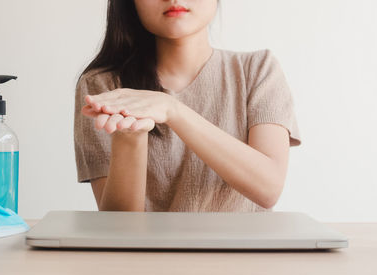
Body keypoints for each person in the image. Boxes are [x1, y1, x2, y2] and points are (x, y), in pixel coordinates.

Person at [74, 0, 301, 212]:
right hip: (147, 255)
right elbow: (119, 229)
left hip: (243, 253)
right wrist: (130, 135)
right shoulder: (101, 86)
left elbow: (268, 188)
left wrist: (173, 109)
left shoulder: (258, 70)